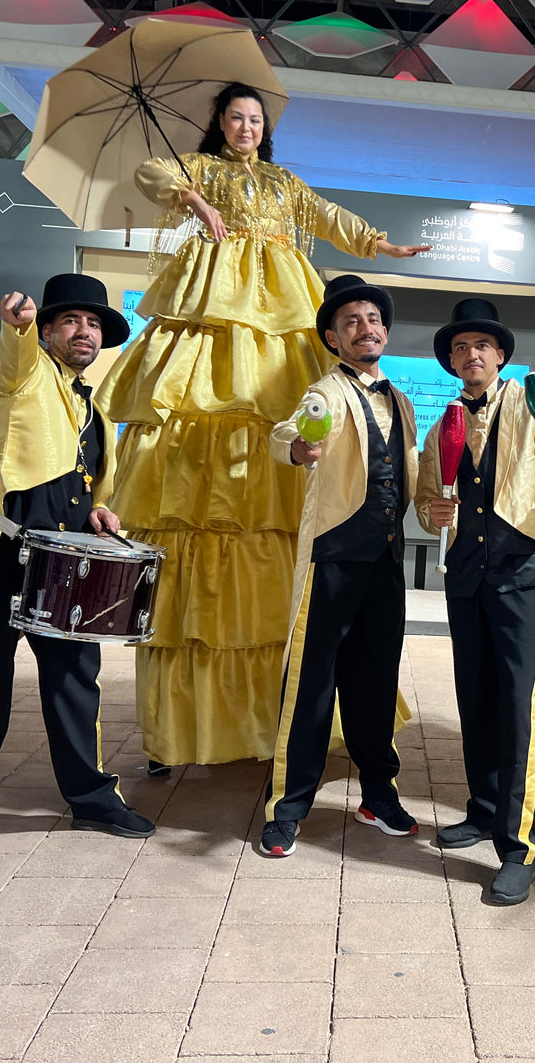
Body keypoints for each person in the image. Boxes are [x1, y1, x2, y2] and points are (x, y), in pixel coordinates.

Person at [94, 82, 427, 775]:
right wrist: (193, 199)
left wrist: (378, 243)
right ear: (219, 124)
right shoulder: (202, 168)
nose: (246, 127)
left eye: (255, 119)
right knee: (201, 416)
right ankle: (193, 726)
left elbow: (327, 214)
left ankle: (287, 712)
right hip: (214, 292)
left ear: (265, 128)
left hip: (281, 298)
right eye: (235, 118)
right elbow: (150, 173)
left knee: (284, 412)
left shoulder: (282, 181)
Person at [0, 276, 154, 902]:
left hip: (67, 567)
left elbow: (91, 478)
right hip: (3, 559)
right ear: (47, 330)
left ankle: (93, 799)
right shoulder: (20, 375)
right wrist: (16, 327)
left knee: (77, 685)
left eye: (95, 324)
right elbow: (12, 357)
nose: (84, 332)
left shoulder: (92, 403)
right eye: (70, 320)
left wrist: (101, 512)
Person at [416, 299, 535, 906]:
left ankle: (520, 846)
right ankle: (484, 810)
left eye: (482, 347)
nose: (472, 356)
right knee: (477, 699)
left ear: (500, 356)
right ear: (451, 360)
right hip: (467, 576)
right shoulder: (442, 426)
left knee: (518, 710)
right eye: (461, 348)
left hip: (523, 575)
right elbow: (425, 499)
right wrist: (432, 512)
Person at [261, 275, 420, 858]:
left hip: (384, 561)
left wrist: (436, 503)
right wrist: (298, 447)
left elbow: (413, 478)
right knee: (310, 685)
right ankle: (290, 804)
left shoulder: (401, 401)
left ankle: (380, 792)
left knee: (376, 683)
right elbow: (291, 431)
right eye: (352, 321)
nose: (366, 327)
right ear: (333, 337)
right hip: (331, 557)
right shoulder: (323, 392)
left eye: (373, 318)